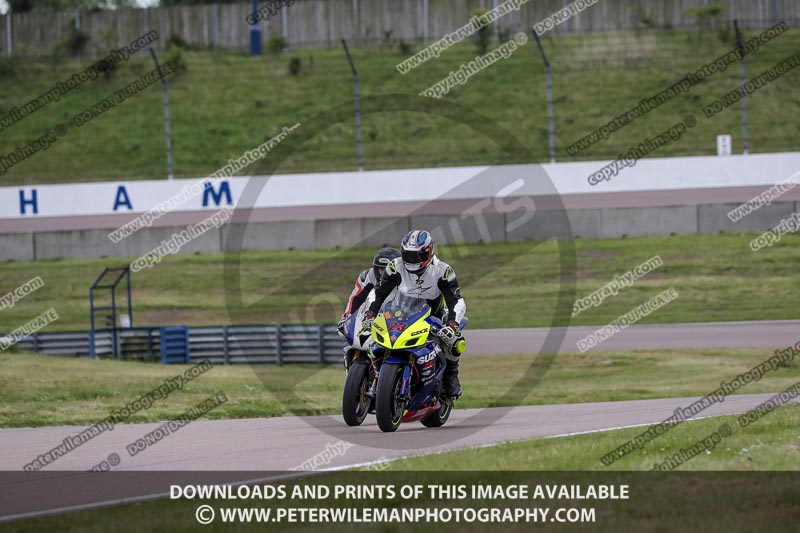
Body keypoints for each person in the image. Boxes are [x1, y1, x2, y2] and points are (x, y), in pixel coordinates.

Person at [362, 230, 466, 398]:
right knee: (370, 337)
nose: (411, 260)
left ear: (428, 251)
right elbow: (379, 293)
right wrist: (370, 313)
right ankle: (376, 378)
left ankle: (451, 377)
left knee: (455, 341)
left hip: (434, 316)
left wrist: (452, 325)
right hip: (401, 313)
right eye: (408, 255)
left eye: (416, 256)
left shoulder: (443, 271)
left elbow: (456, 301)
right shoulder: (395, 266)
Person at [337, 247, 401, 338]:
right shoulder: (368, 276)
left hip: (399, 323)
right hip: (372, 320)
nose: (383, 273)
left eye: (387, 269)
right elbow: (356, 298)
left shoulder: (405, 279)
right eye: (381, 269)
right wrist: (346, 318)